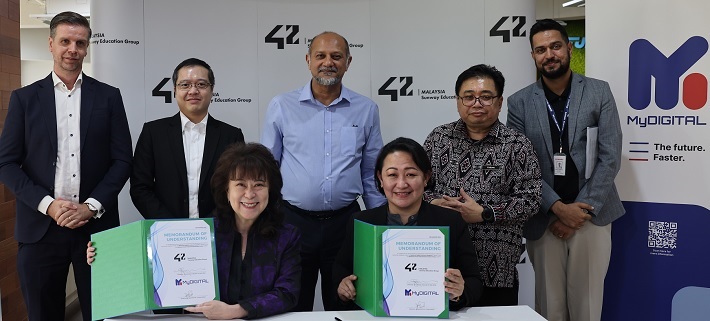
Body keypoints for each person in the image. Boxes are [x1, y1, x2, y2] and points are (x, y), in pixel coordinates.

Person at [0, 11, 132, 321]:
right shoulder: (24, 99)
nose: (72, 49)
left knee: (102, 314)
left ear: (87, 48)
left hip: (96, 231)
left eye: (80, 43)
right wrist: (48, 205)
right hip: (40, 230)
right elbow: (6, 163)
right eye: (65, 41)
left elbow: (123, 160)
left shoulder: (109, 97)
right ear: (51, 44)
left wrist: (91, 206)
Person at [88, 143, 301, 319]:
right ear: (227, 190)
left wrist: (234, 311)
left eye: (259, 185)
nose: (249, 194)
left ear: (270, 190)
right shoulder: (202, 233)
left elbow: (287, 293)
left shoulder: (287, 235)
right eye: (240, 185)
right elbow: (153, 267)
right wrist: (104, 257)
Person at [507, 19, 624, 321]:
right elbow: (522, 166)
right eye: (541, 49)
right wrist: (558, 209)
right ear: (533, 56)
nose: (550, 54)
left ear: (569, 48)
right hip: (544, 219)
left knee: (586, 306)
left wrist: (579, 212)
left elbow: (610, 156)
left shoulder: (599, 92)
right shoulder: (519, 103)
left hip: (592, 217)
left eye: (556, 46)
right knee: (549, 307)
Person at [261, 31, 386, 311]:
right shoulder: (282, 106)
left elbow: (371, 172)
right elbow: (267, 170)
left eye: (336, 56)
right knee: (291, 304)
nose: (328, 62)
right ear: (308, 60)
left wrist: (380, 222)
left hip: (346, 224)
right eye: (320, 56)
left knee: (347, 304)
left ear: (348, 62)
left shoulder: (366, 110)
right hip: (292, 223)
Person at [423, 64, 542, 306]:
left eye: (486, 97)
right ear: (458, 101)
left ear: (499, 102)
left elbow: (531, 200)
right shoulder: (438, 139)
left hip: (496, 268)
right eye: (469, 97)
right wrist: (435, 203)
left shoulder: (517, 145)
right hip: (440, 264)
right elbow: (416, 189)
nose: (477, 103)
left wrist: (485, 214)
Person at [333, 137, 483, 310]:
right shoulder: (362, 222)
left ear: (426, 177)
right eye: (392, 175)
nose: (402, 184)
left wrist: (460, 292)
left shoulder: (451, 221)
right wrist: (343, 286)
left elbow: (474, 282)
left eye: (411, 174)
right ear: (380, 179)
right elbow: (341, 270)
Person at [130, 58, 244, 221]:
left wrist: (211, 224)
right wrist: (169, 224)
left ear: (212, 90)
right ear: (175, 90)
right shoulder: (153, 133)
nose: (193, 91)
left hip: (218, 231)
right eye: (185, 85)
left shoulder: (231, 136)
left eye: (201, 84)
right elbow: (140, 187)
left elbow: (237, 187)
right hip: (165, 231)